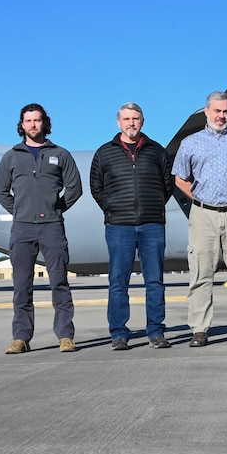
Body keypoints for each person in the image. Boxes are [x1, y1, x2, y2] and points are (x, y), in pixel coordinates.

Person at [172, 91, 227, 346]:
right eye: (217, 111)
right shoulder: (190, 143)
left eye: (225, 112)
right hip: (203, 214)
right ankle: (199, 330)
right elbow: (180, 178)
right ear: (206, 112)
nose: (221, 116)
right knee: (201, 273)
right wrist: (200, 199)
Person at [0, 103, 82, 354]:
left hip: (52, 227)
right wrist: (19, 211)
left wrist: (55, 208)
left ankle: (65, 336)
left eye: (37, 120)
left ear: (45, 123)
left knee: (59, 282)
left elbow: (75, 189)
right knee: (22, 285)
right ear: (21, 125)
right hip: (22, 229)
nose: (33, 125)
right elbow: (0, 191)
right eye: (28, 121)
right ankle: (20, 338)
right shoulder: (11, 156)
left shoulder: (60, 154)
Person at [90, 103, 175, 350]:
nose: (131, 123)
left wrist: (154, 204)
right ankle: (118, 333)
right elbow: (97, 186)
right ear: (119, 122)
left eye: (136, 118)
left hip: (152, 225)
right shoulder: (105, 153)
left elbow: (167, 184)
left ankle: (156, 331)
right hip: (119, 226)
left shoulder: (156, 151)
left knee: (155, 281)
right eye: (126, 119)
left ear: (143, 121)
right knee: (118, 280)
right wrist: (112, 208)